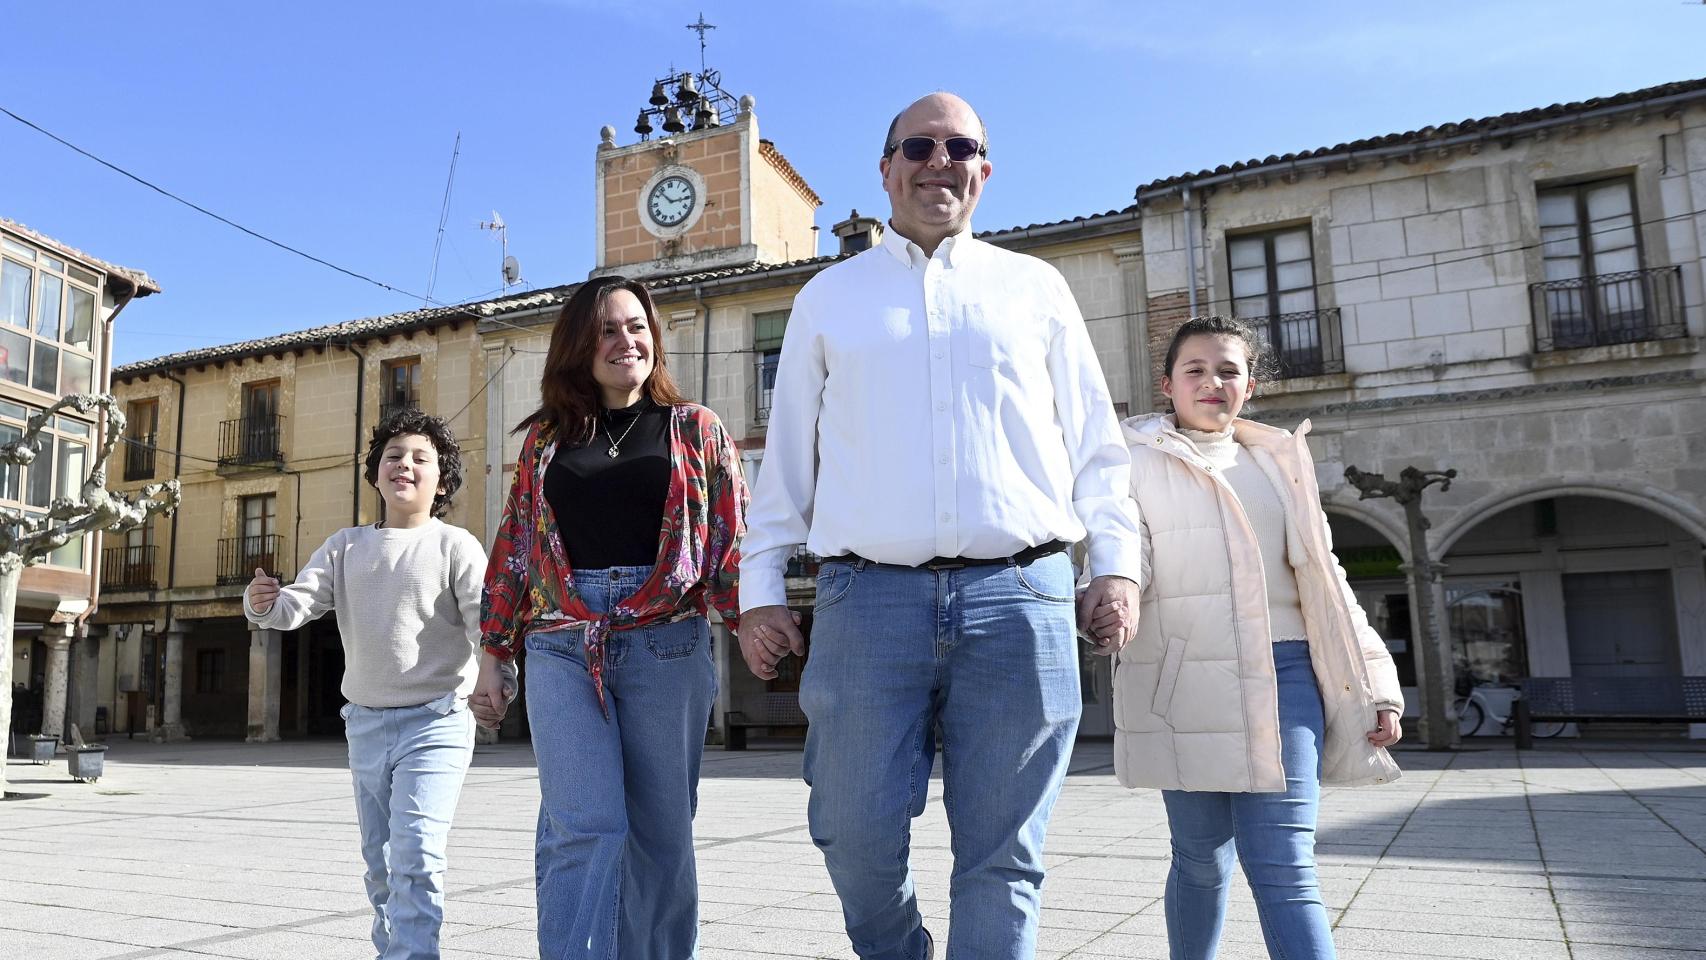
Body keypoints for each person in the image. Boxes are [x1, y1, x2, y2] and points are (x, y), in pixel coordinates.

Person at [739, 92, 1143, 960]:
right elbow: (786, 466)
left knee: (1005, 855)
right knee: (851, 829)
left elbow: (1095, 443)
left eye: (960, 146)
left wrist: (1114, 564)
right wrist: (758, 590)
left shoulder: (1035, 288)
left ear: (984, 171)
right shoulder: (827, 297)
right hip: (864, 603)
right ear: (885, 170)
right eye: (917, 145)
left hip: (1022, 597)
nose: (938, 159)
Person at [1100, 315, 1404, 960]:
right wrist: (1113, 592)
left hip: (1287, 676)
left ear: (1250, 385)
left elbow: (1329, 582)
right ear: (1169, 384)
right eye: (1196, 369)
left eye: (1229, 370)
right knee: (1201, 860)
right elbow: (1127, 548)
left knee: (1284, 864)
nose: (1213, 381)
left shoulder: (1277, 462)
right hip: (1186, 680)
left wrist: (1377, 685)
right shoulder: (1129, 460)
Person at [473, 275, 746, 960]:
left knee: (661, 835)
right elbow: (516, 543)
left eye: (637, 326)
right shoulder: (545, 440)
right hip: (564, 641)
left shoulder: (695, 429)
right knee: (584, 822)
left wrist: (753, 620)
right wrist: (494, 652)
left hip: (666, 643)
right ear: (578, 347)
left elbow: (731, 535)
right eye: (607, 329)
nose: (626, 341)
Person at [245, 408, 499, 960]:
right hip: (364, 724)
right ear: (375, 473)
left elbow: (488, 624)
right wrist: (264, 602)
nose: (404, 465)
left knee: (417, 853)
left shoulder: (457, 546)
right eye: (393, 456)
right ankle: (394, 949)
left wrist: (497, 678)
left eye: (420, 458)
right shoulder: (345, 546)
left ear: (442, 478)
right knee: (380, 860)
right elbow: (296, 605)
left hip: (437, 721)